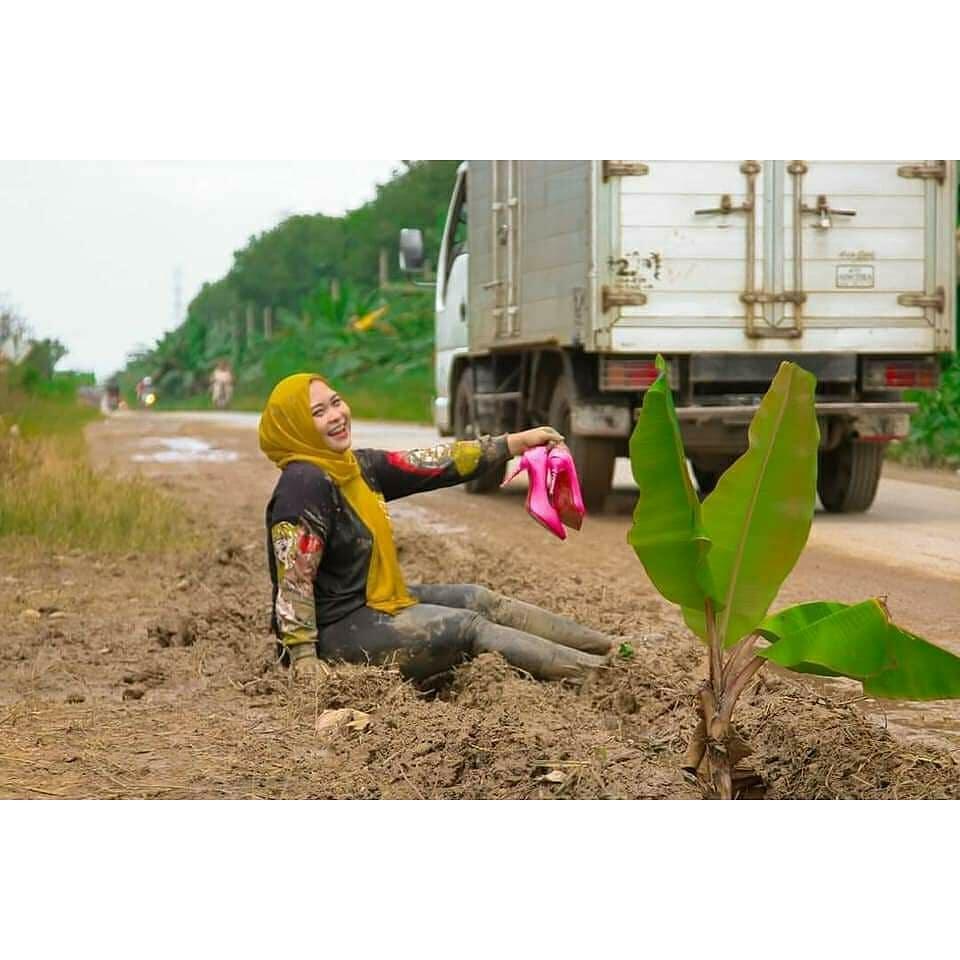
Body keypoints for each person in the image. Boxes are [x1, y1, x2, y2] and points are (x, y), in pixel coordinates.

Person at [259, 373, 615, 682]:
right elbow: (295, 580)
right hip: (335, 633)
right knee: (468, 628)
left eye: (336, 403)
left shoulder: (353, 466)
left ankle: (610, 651)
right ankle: (596, 677)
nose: (336, 416)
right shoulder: (302, 486)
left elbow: (433, 463)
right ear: (296, 428)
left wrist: (512, 444)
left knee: (480, 599)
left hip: (374, 602)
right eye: (319, 413)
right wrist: (304, 657)